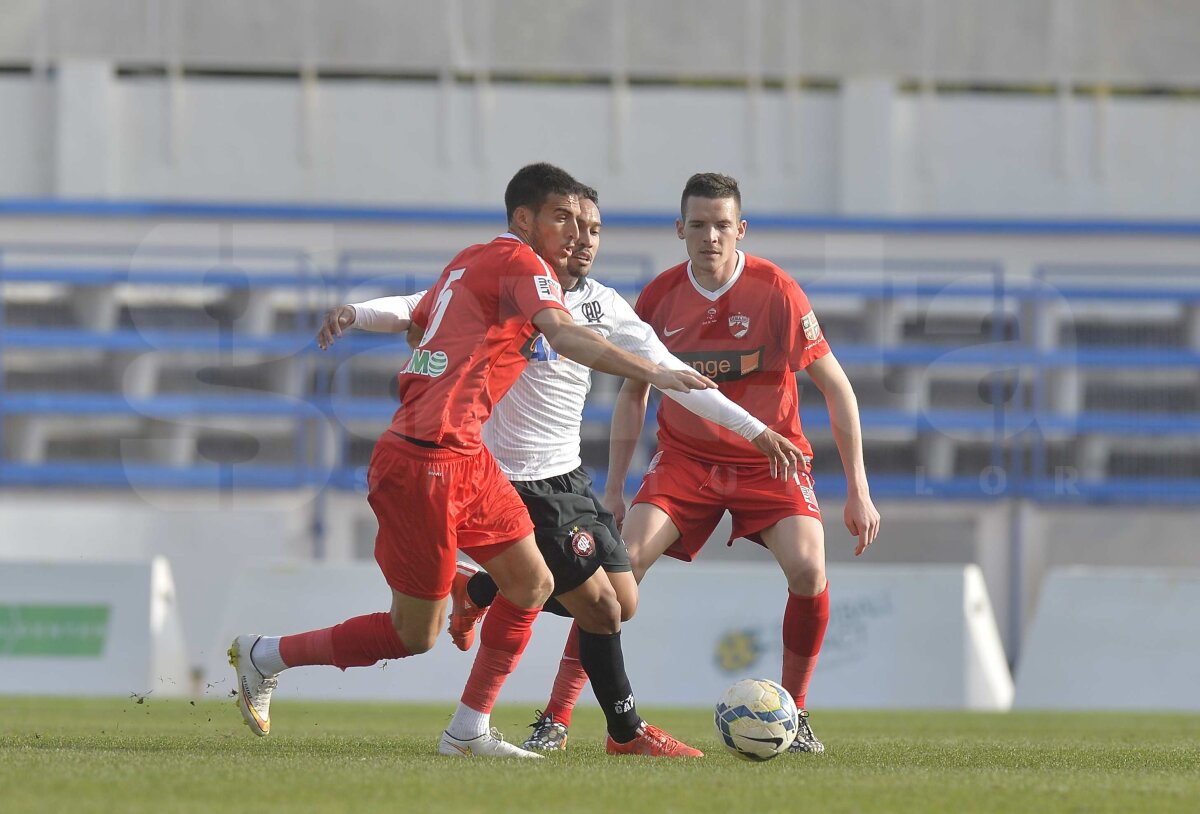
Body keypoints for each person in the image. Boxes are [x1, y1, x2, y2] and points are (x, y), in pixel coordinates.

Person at [228, 163, 715, 759]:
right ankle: (265, 654)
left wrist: (359, 313)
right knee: (416, 635)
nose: (574, 231)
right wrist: (654, 372)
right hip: (422, 460)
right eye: (560, 217)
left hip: (466, 455)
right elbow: (562, 336)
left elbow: (418, 315)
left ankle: (468, 729)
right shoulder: (520, 264)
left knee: (534, 582)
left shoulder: (472, 261)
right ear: (523, 220)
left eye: (582, 220)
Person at [317, 187, 804, 757]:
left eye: (594, 231)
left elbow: (675, 374)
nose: (582, 239)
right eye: (570, 226)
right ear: (543, 229)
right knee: (597, 607)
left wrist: (756, 430)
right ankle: (619, 731)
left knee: (623, 601)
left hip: (569, 479)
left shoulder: (607, 307)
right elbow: (421, 303)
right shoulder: (513, 285)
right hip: (509, 480)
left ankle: (480, 587)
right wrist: (358, 312)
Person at [584, 172, 879, 754]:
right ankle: (561, 716)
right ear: (680, 230)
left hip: (771, 463)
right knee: (618, 571)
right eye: (699, 224)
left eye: (722, 225)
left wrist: (859, 489)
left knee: (809, 571)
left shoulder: (777, 291)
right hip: (686, 460)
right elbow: (633, 393)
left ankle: (794, 717)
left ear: (740, 229)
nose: (711, 236)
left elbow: (837, 387)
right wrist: (615, 487)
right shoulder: (659, 297)